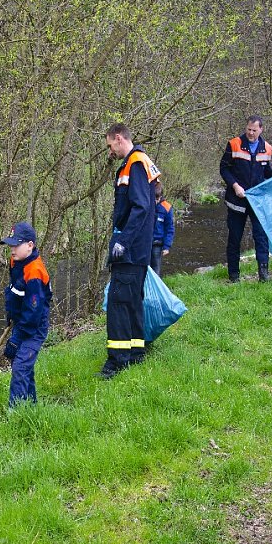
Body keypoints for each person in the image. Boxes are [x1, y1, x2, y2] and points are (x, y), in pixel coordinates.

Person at [99, 123, 160, 379]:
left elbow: (141, 207)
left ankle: (118, 361)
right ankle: (136, 351)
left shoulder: (134, 163)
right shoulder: (141, 161)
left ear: (119, 138)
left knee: (118, 302)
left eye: (110, 145)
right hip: (140, 248)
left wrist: (123, 241)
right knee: (133, 299)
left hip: (131, 249)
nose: (110, 151)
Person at [219, 115, 272, 282]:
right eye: (248, 129)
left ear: (261, 129)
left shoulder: (267, 148)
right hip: (236, 200)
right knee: (235, 238)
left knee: (261, 237)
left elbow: (267, 172)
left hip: (257, 201)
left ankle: (264, 274)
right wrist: (235, 185)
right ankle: (234, 276)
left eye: (254, 130)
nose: (251, 133)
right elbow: (224, 169)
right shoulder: (234, 144)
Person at [0, 221, 52, 406]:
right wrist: (11, 317)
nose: (12, 249)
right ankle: (31, 404)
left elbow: (33, 312)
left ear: (30, 245)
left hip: (34, 327)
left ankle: (16, 413)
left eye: (16, 244)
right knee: (22, 366)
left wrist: (17, 338)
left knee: (21, 367)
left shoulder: (35, 272)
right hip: (21, 322)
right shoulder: (16, 261)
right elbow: (14, 292)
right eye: (10, 245)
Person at [150, 179, 175, 276]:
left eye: (157, 198)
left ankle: (156, 289)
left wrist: (167, 246)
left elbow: (170, 229)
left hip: (157, 243)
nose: (155, 201)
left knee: (156, 268)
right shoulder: (147, 204)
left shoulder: (167, 208)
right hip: (145, 242)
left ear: (161, 196)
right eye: (154, 198)